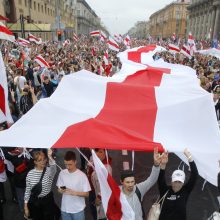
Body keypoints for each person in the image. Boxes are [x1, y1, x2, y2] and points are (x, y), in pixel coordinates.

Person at [120, 147, 161, 220]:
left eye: (132, 181)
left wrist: (156, 165)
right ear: (121, 182)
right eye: (127, 182)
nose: (130, 184)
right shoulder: (116, 192)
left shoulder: (138, 189)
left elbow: (151, 180)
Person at [158, 148, 198, 220]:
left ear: (183, 182)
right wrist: (163, 164)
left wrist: (189, 157)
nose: (177, 184)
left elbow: (194, 175)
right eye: (175, 181)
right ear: (171, 181)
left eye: (179, 182)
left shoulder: (185, 190)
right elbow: (160, 177)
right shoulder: (165, 190)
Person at [56, 151, 91, 220]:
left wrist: (74, 193)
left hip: (78, 210)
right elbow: (59, 188)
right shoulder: (62, 173)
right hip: (65, 209)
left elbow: (87, 194)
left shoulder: (82, 175)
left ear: (75, 162)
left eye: (70, 164)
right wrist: (61, 190)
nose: (67, 167)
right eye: (66, 164)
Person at [24, 149, 57, 220]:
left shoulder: (49, 171)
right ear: (35, 162)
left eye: (44, 159)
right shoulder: (30, 174)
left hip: (48, 201)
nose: (43, 161)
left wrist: (50, 157)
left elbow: (54, 169)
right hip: (36, 203)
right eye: (40, 160)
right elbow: (28, 191)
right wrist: (25, 207)